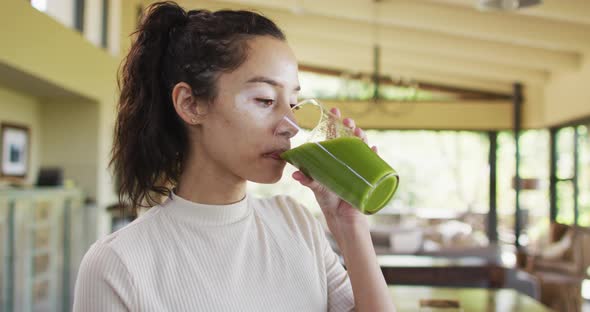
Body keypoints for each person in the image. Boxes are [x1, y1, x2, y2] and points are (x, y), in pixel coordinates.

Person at [73, 2, 395, 311]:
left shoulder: (296, 224)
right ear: (190, 104)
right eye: (265, 100)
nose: (292, 127)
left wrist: (349, 225)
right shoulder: (117, 265)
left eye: (293, 104)